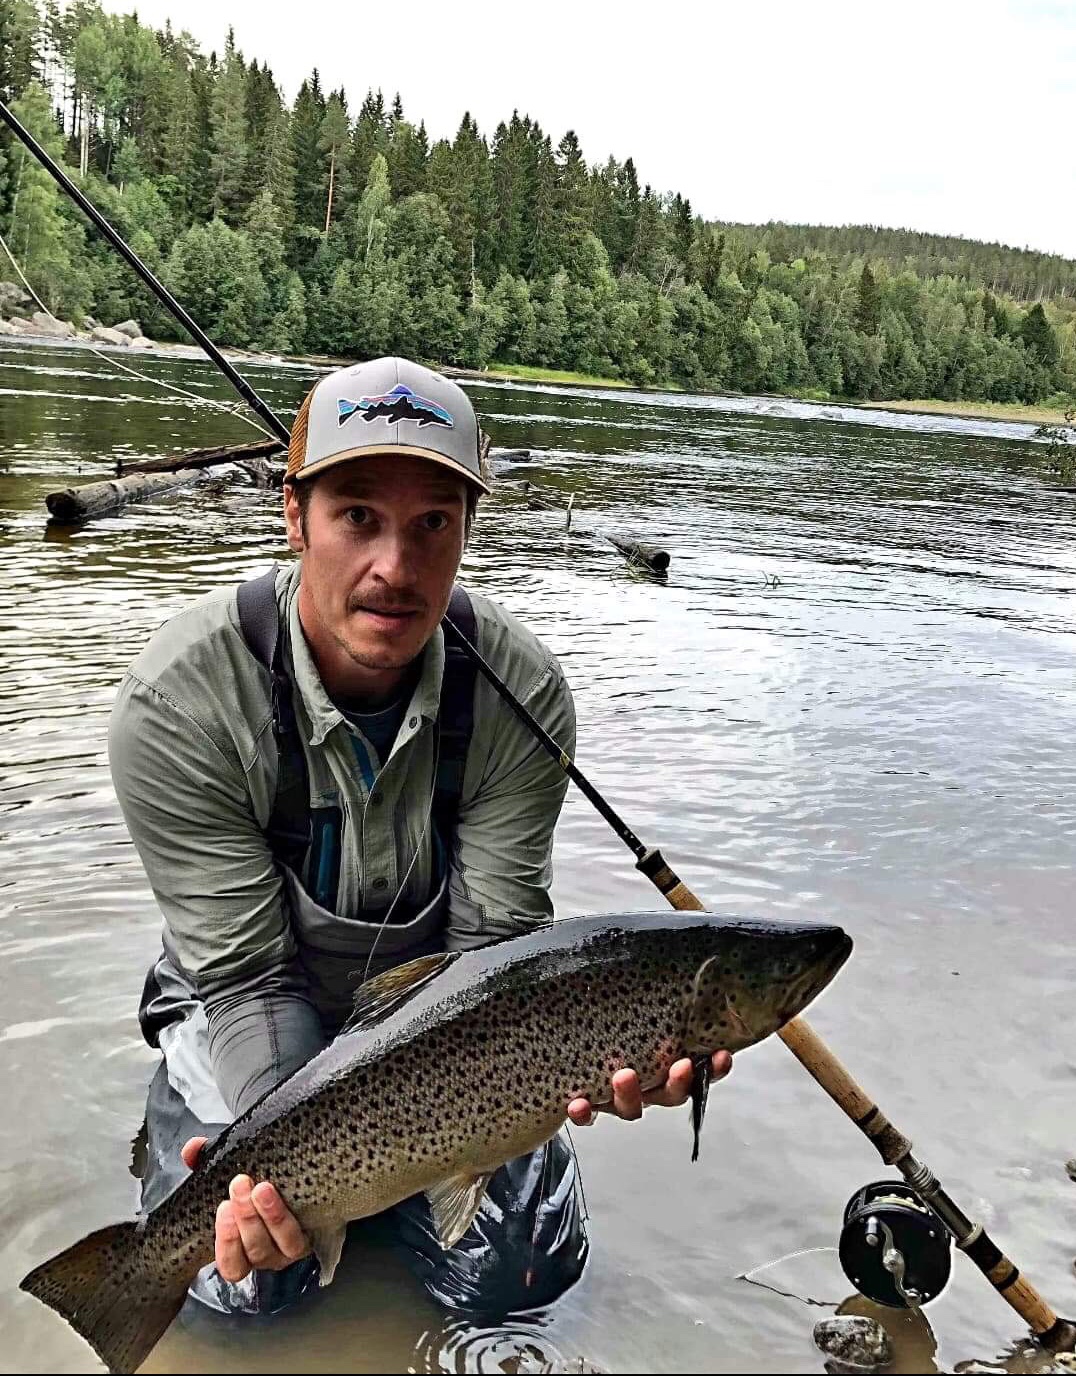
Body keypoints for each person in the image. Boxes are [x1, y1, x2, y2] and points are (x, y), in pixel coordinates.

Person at [109, 356, 731, 1319]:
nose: (395, 569)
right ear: (295, 516)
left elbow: (494, 966)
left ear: (467, 530)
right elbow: (247, 979)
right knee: (242, 1291)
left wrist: (541, 1084)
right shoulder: (179, 702)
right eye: (358, 516)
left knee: (517, 1278)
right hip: (248, 1004)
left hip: (443, 1027)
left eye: (433, 524)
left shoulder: (521, 692)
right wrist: (297, 1173)